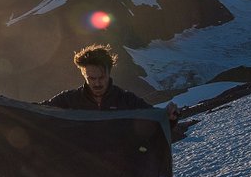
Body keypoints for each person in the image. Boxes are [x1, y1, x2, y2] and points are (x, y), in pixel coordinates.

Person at [43, 43, 179, 124]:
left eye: (101, 77)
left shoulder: (126, 100)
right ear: (83, 75)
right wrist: (21, 111)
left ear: (109, 73)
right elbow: (37, 112)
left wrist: (170, 117)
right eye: (91, 78)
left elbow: (155, 119)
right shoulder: (68, 100)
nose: (97, 83)